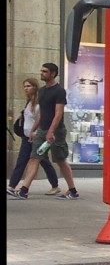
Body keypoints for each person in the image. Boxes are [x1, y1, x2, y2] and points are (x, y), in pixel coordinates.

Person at [12, 63, 80, 200]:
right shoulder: (42, 91)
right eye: (41, 71)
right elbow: (41, 113)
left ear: (53, 73)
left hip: (57, 131)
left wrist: (51, 131)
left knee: (60, 160)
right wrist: (33, 130)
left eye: (45, 71)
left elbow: (58, 113)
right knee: (34, 158)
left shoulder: (59, 91)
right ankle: (24, 190)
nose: (41, 73)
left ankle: (73, 190)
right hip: (42, 130)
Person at [7, 77, 62, 196]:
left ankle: (55, 185)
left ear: (35, 87)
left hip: (37, 137)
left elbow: (41, 119)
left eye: (28, 86)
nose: (26, 89)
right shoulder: (28, 102)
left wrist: (37, 132)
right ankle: (12, 186)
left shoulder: (39, 103)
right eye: (24, 86)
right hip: (26, 137)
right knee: (23, 161)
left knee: (43, 161)